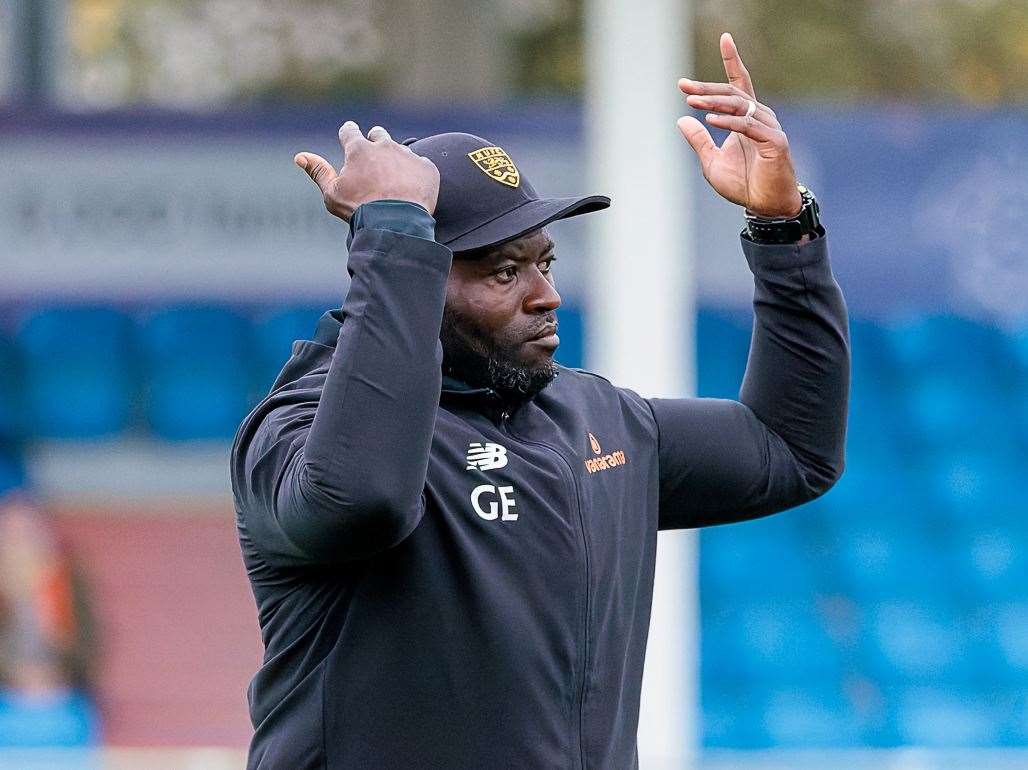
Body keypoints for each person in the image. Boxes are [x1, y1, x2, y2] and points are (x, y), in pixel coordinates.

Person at [231, 33, 848, 770]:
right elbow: (359, 500)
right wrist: (392, 235)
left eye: (545, 261)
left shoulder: (599, 422)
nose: (545, 294)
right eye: (503, 271)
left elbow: (790, 450)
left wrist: (784, 234)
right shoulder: (298, 430)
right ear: (421, 274)